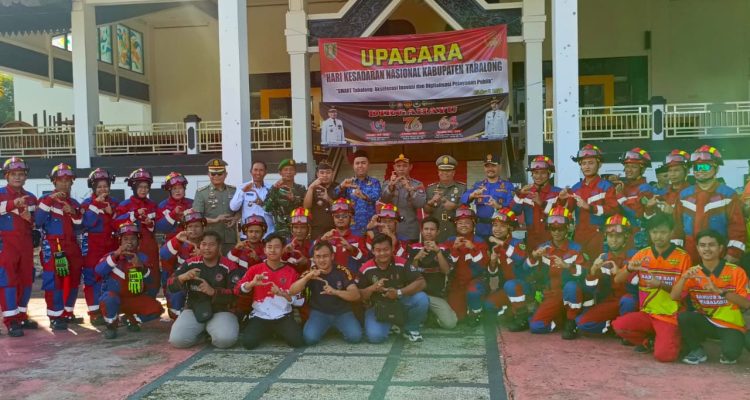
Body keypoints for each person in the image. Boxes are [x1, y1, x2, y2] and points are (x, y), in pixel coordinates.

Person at [612, 213, 692, 362]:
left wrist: (660, 285)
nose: (658, 236)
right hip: (647, 313)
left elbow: (684, 292)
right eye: (654, 232)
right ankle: (650, 341)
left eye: (663, 232)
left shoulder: (683, 257)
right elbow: (618, 279)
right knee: (619, 326)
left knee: (664, 356)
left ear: (671, 233)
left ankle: (675, 340)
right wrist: (629, 268)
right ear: (649, 233)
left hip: (670, 316)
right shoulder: (642, 254)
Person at [671, 230, 749, 365]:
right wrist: (683, 278)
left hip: (730, 324)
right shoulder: (693, 272)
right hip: (705, 322)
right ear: (697, 248)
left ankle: (732, 346)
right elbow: (674, 296)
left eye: (711, 245)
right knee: (684, 317)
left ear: (720, 248)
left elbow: (746, 304)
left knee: (730, 355)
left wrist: (721, 292)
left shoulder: (736, 271)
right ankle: (697, 350)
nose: (706, 249)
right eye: (702, 245)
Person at [673, 145, 746, 263]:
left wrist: (733, 253)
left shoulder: (728, 195)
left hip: (719, 255)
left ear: (716, 169)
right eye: (696, 167)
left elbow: (737, 227)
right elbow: (677, 227)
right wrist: (676, 252)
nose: (700, 170)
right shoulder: (684, 195)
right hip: (690, 255)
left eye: (705, 166)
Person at [167, 231, 239, 349]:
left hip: (221, 310)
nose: (207, 248)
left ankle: (213, 331)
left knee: (225, 340)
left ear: (219, 246)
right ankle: (203, 335)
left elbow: (236, 293)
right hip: (194, 308)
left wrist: (213, 292)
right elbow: (170, 285)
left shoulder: (229, 266)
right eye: (204, 244)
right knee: (177, 340)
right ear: (199, 245)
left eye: (211, 245)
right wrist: (182, 278)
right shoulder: (190, 263)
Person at [525, 206, 587, 339]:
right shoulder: (543, 248)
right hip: (552, 295)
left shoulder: (576, 249)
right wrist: (534, 256)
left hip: (570, 294)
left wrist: (567, 266)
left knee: (571, 286)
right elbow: (526, 270)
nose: (557, 232)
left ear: (568, 228)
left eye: (561, 228)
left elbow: (585, 273)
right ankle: (560, 321)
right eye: (553, 228)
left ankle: (571, 321)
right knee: (536, 327)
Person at [235, 233, 304, 349]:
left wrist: (283, 294)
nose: (272, 250)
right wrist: (252, 284)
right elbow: (237, 289)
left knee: (298, 342)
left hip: (283, 316)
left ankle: (275, 331)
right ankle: (269, 331)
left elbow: (300, 301)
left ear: (283, 250)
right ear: (264, 250)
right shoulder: (255, 269)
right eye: (269, 247)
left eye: (277, 247)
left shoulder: (291, 272)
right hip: (260, 315)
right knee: (248, 344)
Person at [96, 222, 163, 339]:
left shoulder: (143, 257)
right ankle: (111, 326)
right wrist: (116, 255)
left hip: (133, 299)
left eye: (133, 239)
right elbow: (99, 270)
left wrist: (142, 267)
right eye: (125, 239)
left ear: (138, 241)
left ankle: (130, 319)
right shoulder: (111, 256)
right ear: (120, 241)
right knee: (109, 299)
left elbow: (150, 281)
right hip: (114, 299)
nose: (129, 242)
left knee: (157, 309)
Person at [36, 163, 83, 329]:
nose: (64, 183)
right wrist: (50, 200)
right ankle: (55, 316)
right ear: (54, 181)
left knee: (74, 279)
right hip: (54, 246)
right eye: (61, 180)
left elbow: (80, 228)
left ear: (72, 182)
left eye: (68, 180)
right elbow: (38, 221)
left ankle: (67, 313)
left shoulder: (74, 203)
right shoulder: (45, 199)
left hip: (72, 245)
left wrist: (73, 212)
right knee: (54, 281)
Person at [289, 241, 362, 344]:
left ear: (332, 256)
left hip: (342, 312)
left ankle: (334, 327)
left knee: (355, 337)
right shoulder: (310, 272)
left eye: (325, 256)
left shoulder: (343, 271)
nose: (322, 260)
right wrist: (307, 278)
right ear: (314, 259)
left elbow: (356, 295)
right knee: (309, 339)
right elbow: (292, 291)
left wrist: (335, 292)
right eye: (318, 257)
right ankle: (327, 327)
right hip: (319, 313)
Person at [358, 233, 428, 343]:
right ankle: (391, 324)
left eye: (386, 249)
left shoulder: (402, 262)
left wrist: (399, 292)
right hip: (377, 307)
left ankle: (411, 328)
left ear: (392, 249)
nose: (382, 253)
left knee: (421, 298)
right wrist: (373, 288)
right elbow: (359, 294)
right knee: (375, 338)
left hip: (399, 301)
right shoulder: (365, 268)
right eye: (378, 250)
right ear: (373, 251)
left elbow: (421, 282)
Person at [575, 214, 637, 336]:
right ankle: (616, 328)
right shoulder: (602, 258)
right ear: (605, 236)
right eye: (610, 236)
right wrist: (593, 271)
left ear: (626, 236)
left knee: (627, 301)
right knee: (581, 323)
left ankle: (627, 329)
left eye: (618, 236)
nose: (614, 240)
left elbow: (639, 284)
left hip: (631, 301)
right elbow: (591, 289)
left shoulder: (634, 256)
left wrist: (622, 272)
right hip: (611, 302)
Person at [557, 144, 618, 259]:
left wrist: (590, 208)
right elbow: (565, 212)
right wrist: (561, 199)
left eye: (591, 163)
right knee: (580, 266)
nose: (587, 166)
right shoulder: (576, 188)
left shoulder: (607, 187)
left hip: (599, 238)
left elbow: (613, 210)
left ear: (599, 164)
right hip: (579, 237)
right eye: (584, 163)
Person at [0, 157, 39, 336]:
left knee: (26, 280)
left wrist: (30, 220)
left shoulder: (31, 198)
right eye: (13, 174)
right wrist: (12, 204)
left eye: (21, 174)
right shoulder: (1, 194)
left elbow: (34, 222)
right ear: (6, 176)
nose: (17, 177)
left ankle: (22, 316)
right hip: (6, 245)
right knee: (8, 281)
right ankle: (11, 321)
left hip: (26, 245)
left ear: (26, 177)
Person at [81, 168, 118, 326]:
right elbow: (88, 223)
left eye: (105, 186)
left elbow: (119, 225)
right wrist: (96, 205)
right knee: (92, 279)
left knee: (110, 277)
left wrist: (111, 213)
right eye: (99, 187)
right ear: (93, 188)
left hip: (111, 245)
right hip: (92, 247)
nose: (103, 189)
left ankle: (108, 310)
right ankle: (94, 313)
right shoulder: (87, 204)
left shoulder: (114, 203)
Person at [116, 168, 160, 297]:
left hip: (149, 246)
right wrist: (134, 215)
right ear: (134, 187)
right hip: (130, 247)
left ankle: (150, 303)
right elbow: (116, 224)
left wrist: (150, 224)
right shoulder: (124, 205)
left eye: (146, 187)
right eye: (140, 187)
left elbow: (157, 226)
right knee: (131, 276)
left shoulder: (153, 205)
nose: (143, 190)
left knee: (152, 276)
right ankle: (131, 305)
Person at [406, 217, 457, 329]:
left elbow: (446, 271)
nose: (429, 232)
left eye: (432, 229)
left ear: (438, 232)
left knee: (450, 323)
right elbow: (409, 273)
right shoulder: (413, 248)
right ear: (421, 231)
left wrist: (438, 252)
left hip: (435, 295)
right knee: (410, 319)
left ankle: (431, 317)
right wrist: (416, 259)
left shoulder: (443, 248)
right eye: (426, 229)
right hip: (417, 295)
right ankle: (423, 317)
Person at [482, 208, 528, 330]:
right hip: (507, 289)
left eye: (502, 226)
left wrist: (501, 243)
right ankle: (511, 310)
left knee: (510, 285)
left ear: (510, 228)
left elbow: (519, 258)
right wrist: (492, 261)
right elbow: (493, 273)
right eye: (495, 225)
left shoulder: (518, 242)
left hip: (523, 287)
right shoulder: (495, 247)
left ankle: (522, 318)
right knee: (488, 305)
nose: (497, 229)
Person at [446, 205, 489, 324]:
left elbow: (483, 264)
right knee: (458, 318)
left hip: (475, 281)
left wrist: (473, 248)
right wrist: (454, 249)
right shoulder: (450, 241)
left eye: (467, 222)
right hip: (457, 283)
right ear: (455, 225)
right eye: (460, 223)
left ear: (473, 224)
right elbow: (447, 266)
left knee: (474, 292)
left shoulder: (480, 241)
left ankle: (476, 313)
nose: (463, 225)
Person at [159, 209, 206, 318]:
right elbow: (164, 255)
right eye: (190, 226)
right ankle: (177, 316)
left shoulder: (210, 241)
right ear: (185, 228)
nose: (193, 229)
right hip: (183, 279)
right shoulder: (179, 241)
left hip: (204, 281)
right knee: (176, 292)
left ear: (203, 228)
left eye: (197, 226)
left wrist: (203, 255)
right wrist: (177, 240)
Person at [512, 155, 562, 251]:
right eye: (535, 173)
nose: (538, 176)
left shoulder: (558, 193)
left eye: (543, 173)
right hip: (531, 241)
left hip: (551, 241)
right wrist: (519, 195)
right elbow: (514, 212)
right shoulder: (526, 192)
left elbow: (560, 216)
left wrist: (541, 203)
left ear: (549, 174)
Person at [461, 153, 514, 240]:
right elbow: (463, 199)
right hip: (481, 230)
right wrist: (472, 195)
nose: (490, 169)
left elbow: (513, 209)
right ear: (484, 168)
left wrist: (499, 207)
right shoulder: (478, 185)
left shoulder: (508, 186)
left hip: (500, 231)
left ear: (500, 167)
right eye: (487, 166)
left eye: (493, 166)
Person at [612, 148, 657, 248]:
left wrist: (619, 196)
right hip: (620, 237)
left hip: (637, 238)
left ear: (643, 169)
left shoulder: (645, 189)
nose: (629, 170)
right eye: (627, 166)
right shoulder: (623, 186)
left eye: (634, 167)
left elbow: (636, 214)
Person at [194, 159, 239, 254]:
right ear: (208, 174)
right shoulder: (201, 193)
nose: (216, 176)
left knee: (231, 261)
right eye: (213, 174)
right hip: (210, 239)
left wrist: (235, 218)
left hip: (230, 238)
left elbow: (241, 210)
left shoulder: (234, 191)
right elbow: (196, 218)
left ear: (226, 174)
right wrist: (216, 220)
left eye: (220, 174)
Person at [381, 154, 426, 242]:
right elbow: (383, 200)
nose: (401, 169)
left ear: (410, 167)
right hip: (390, 230)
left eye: (405, 166)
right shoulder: (387, 183)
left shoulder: (417, 184)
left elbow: (421, 204)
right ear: (394, 167)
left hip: (410, 230)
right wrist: (391, 187)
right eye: (398, 166)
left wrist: (409, 189)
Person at [335, 150, 381, 236]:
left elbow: (376, 196)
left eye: (363, 163)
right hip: (352, 227)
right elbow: (334, 196)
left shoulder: (375, 182)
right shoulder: (348, 183)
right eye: (357, 163)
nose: (360, 166)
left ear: (368, 165)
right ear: (353, 166)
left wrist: (363, 196)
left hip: (371, 227)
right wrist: (341, 187)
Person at [318, 198, 366, 274]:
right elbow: (311, 254)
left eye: (344, 216)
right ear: (333, 218)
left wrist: (352, 249)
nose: (340, 219)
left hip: (352, 279)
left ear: (350, 217)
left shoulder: (359, 236)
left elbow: (365, 259)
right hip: (331, 278)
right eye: (337, 216)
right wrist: (321, 240)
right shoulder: (326, 236)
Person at [424, 155, 466, 242]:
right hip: (436, 230)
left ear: (453, 172)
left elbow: (466, 211)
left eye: (448, 171)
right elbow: (426, 211)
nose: (445, 173)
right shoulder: (430, 188)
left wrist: (454, 207)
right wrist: (431, 202)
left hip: (454, 229)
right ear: (438, 172)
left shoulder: (462, 188)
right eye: (442, 170)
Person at [264, 159, 306, 241]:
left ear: (295, 172)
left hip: (298, 231)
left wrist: (294, 199)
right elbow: (266, 208)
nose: (289, 172)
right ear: (280, 173)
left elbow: (306, 207)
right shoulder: (274, 189)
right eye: (285, 170)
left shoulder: (301, 189)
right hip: (281, 231)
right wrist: (274, 190)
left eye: (291, 169)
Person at [229, 160, 273, 237]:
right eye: (255, 170)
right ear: (251, 171)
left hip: (267, 234)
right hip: (248, 234)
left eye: (261, 170)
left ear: (266, 172)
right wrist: (242, 191)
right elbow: (233, 207)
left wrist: (263, 205)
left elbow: (275, 212)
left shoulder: (271, 188)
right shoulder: (242, 187)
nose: (258, 173)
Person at [646, 149, 691, 216]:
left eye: (676, 170)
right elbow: (651, 219)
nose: (672, 174)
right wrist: (648, 208)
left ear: (687, 171)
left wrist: (673, 212)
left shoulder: (693, 193)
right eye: (670, 171)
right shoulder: (663, 194)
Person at [303, 160, 338, 238]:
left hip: (334, 228)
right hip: (317, 229)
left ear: (333, 173)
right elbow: (306, 207)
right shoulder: (312, 187)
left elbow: (341, 208)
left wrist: (328, 199)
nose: (325, 175)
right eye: (322, 173)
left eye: (328, 172)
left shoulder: (338, 188)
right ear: (317, 174)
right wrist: (311, 188)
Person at [156, 172, 193, 241]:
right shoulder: (163, 206)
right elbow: (161, 228)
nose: (177, 191)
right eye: (174, 188)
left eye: (180, 188)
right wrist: (173, 214)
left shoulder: (192, 203)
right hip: (170, 242)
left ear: (184, 189)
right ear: (169, 190)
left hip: (190, 241)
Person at [282, 207, 313, 274]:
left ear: (308, 229)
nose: (299, 231)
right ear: (291, 229)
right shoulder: (284, 244)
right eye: (296, 227)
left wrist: (308, 262)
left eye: (303, 227)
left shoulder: (314, 245)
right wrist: (284, 252)